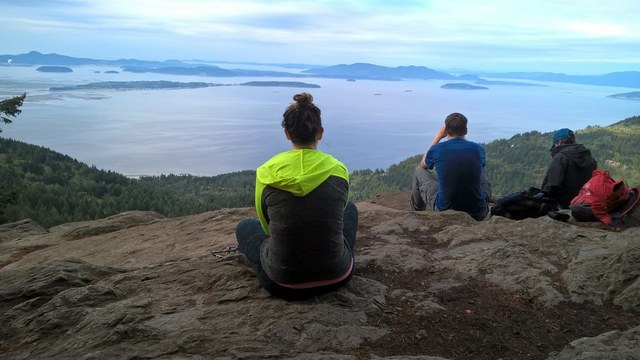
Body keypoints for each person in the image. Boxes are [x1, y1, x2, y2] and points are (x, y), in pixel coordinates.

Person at [235, 92, 358, 300]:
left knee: (245, 228)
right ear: (320, 133)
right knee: (351, 210)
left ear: (287, 134)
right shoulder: (338, 170)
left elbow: (266, 226)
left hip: (282, 283)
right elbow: (340, 209)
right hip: (337, 276)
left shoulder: (267, 172)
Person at [410, 112, 491, 220]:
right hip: (478, 212)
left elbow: (423, 165)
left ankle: (415, 215)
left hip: (445, 209)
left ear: (446, 130)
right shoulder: (478, 149)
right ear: (466, 131)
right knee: (481, 168)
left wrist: (438, 136)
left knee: (419, 171)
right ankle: (479, 199)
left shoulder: (438, 149)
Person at [538, 128, 597, 208]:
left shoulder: (560, 157)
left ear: (559, 142)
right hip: (583, 202)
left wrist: (541, 195)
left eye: (555, 144)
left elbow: (553, 185)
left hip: (563, 204)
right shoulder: (589, 157)